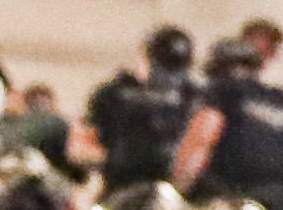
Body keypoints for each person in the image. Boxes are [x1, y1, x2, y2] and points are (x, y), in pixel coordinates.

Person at [174, 27, 283, 210]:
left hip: (230, 209)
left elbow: (201, 140)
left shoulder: (219, 95)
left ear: (214, 69)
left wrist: (177, 193)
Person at [86, 26, 203, 195]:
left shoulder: (197, 98)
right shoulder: (116, 93)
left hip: (175, 191)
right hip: (123, 188)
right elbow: (88, 141)